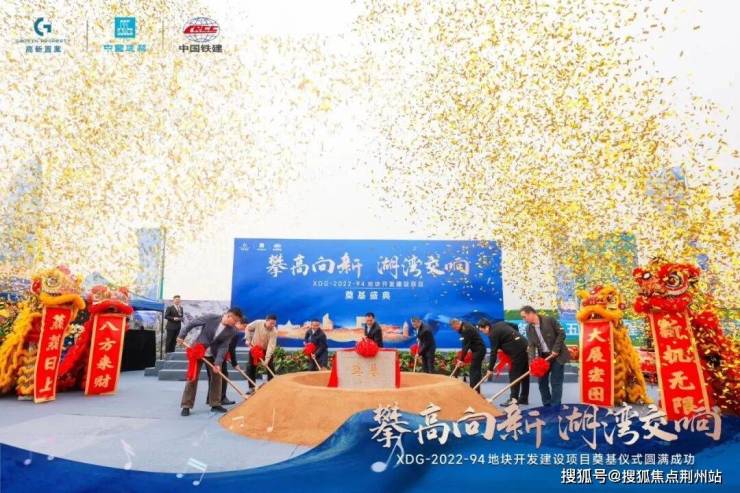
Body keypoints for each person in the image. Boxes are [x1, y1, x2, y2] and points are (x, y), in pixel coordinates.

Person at [177, 307, 243, 416]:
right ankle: (186, 405)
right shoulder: (211, 318)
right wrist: (181, 335)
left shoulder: (232, 331)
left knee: (217, 377)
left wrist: (218, 363)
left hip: (214, 354)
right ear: (229, 316)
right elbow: (192, 323)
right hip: (198, 349)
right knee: (192, 377)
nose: (235, 323)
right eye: (235, 320)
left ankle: (215, 404)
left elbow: (224, 347)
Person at [521, 305, 570, 406]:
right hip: (543, 358)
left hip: (557, 356)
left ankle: (555, 406)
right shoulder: (528, 328)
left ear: (531, 313)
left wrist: (556, 349)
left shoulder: (549, 320)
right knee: (542, 382)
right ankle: (547, 405)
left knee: (555, 382)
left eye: (524, 317)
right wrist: (531, 363)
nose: (523, 319)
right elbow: (531, 346)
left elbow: (562, 334)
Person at [478, 319, 529, 406]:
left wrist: (490, 369)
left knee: (514, 374)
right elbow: (515, 325)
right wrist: (515, 337)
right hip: (524, 345)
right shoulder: (500, 323)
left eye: (482, 330)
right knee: (524, 374)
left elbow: (493, 352)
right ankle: (524, 398)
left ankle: (513, 399)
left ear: (487, 327)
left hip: (517, 351)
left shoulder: (493, 334)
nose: (483, 333)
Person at [207, 318, 245, 405]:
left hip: (213, 353)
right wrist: (235, 363)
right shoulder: (234, 332)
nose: (244, 328)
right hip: (219, 355)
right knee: (223, 375)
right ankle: (222, 398)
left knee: (212, 377)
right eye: (244, 326)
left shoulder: (226, 328)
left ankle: (210, 398)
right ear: (238, 322)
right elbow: (231, 349)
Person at [244, 314, 279, 392]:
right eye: (271, 323)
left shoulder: (274, 331)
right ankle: (251, 387)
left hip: (265, 350)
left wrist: (267, 359)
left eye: (274, 324)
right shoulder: (258, 322)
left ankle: (271, 386)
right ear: (266, 321)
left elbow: (271, 346)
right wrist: (248, 339)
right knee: (251, 367)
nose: (272, 325)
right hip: (254, 348)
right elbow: (248, 328)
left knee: (270, 366)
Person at [451, 318, 486, 393]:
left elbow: (465, 346)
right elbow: (465, 344)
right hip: (476, 350)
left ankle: (474, 391)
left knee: (474, 371)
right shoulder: (464, 327)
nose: (455, 330)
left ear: (457, 324)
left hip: (479, 351)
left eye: (454, 328)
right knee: (474, 370)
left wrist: (461, 359)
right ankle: (475, 390)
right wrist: (461, 359)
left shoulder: (466, 329)